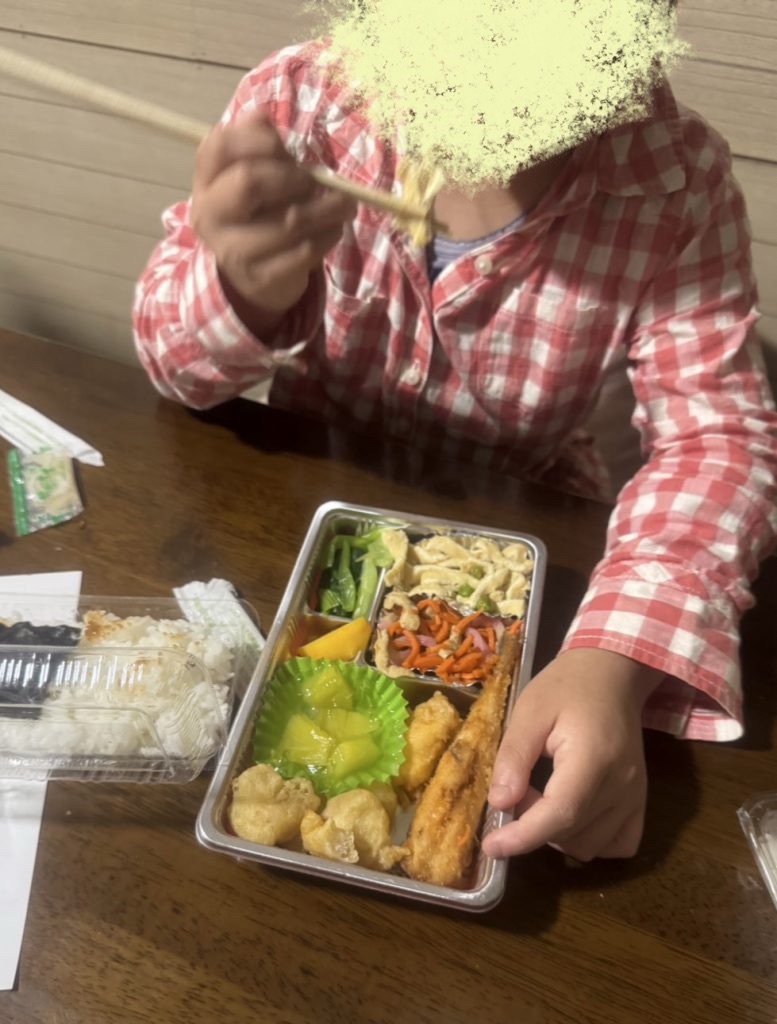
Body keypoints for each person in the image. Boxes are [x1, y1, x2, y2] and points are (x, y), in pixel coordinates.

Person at [133, 26, 777, 864]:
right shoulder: (301, 102)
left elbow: (716, 438)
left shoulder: (674, 175)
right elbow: (173, 366)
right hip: (302, 499)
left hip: (527, 507)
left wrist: (615, 657)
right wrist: (240, 291)